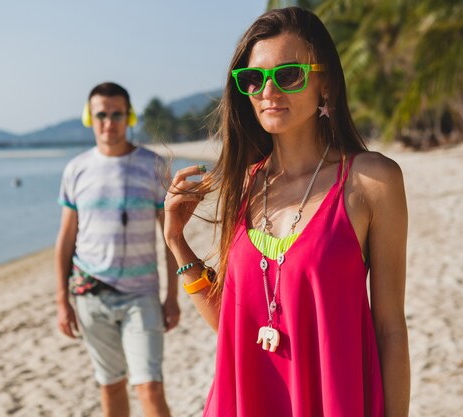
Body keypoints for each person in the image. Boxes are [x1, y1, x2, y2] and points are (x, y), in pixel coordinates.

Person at [164, 7, 410, 417]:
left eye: (289, 74)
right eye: (254, 79)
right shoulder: (244, 185)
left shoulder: (371, 181)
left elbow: (390, 329)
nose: (268, 91)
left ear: (325, 84)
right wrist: (177, 243)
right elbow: (234, 327)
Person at [55, 82, 180, 417]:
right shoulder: (76, 169)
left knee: (150, 386)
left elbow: (170, 236)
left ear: (129, 117)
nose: (108, 122)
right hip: (91, 295)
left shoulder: (154, 166)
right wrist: (61, 300)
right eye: (100, 115)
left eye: (116, 114)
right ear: (89, 118)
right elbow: (66, 238)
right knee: (110, 384)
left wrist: (173, 296)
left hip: (142, 296)